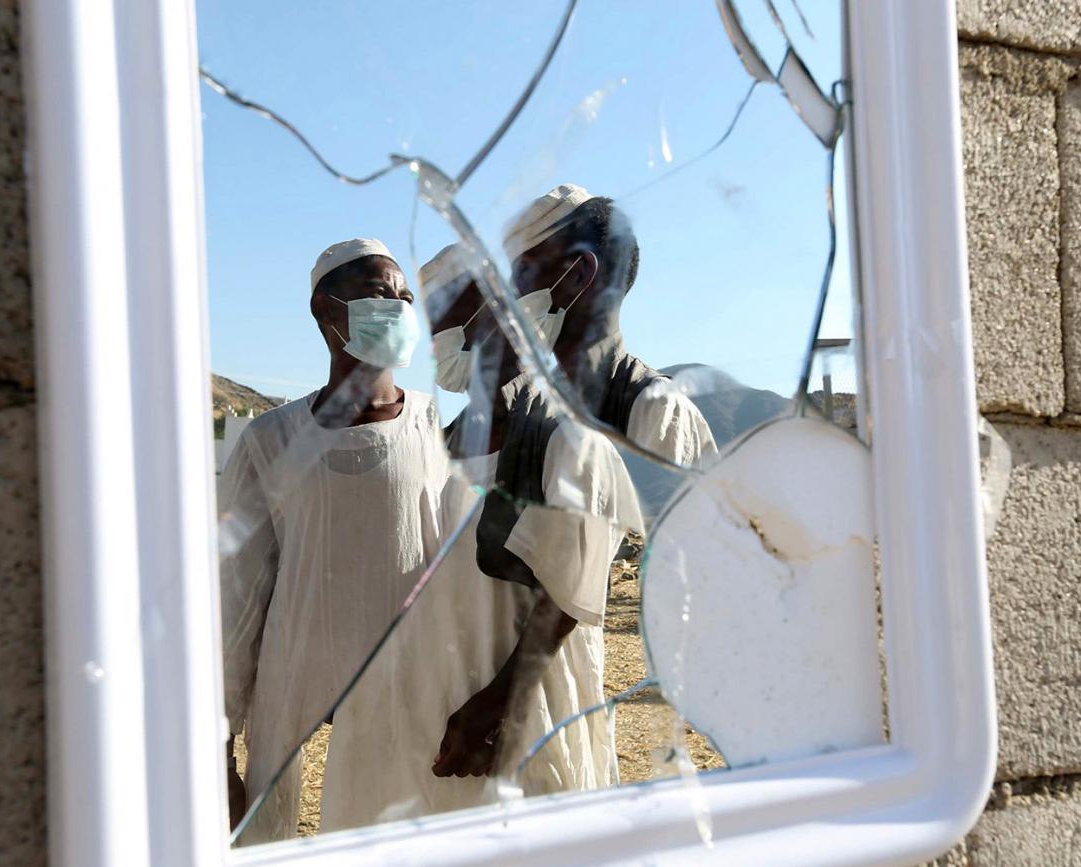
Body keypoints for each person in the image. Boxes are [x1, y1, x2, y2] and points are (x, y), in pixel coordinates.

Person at [319, 244, 642, 831]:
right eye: (437, 322)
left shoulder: (564, 436)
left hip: (525, 702)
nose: (442, 337)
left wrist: (499, 704)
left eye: (454, 316)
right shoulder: (442, 442)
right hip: (441, 696)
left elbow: (570, 590)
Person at [218, 238, 448, 844]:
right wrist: (219, 741)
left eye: (404, 298)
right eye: (378, 295)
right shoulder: (270, 440)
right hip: (293, 678)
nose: (397, 309)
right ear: (326, 309)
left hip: (412, 685)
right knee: (266, 831)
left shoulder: (435, 427)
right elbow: (236, 593)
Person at [503, 184, 718, 479]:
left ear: (578, 275)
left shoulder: (656, 411)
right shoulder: (531, 413)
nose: (511, 293)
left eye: (524, 271)